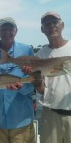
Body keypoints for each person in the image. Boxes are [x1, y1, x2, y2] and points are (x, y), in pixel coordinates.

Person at [29, 11, 71, 143]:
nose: (51, 26)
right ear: (42, 29)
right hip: (50, 114)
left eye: (55, 22)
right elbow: (41, 90)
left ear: (62, 25)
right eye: (47, 24)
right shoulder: (40, 56)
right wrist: (36, 81)